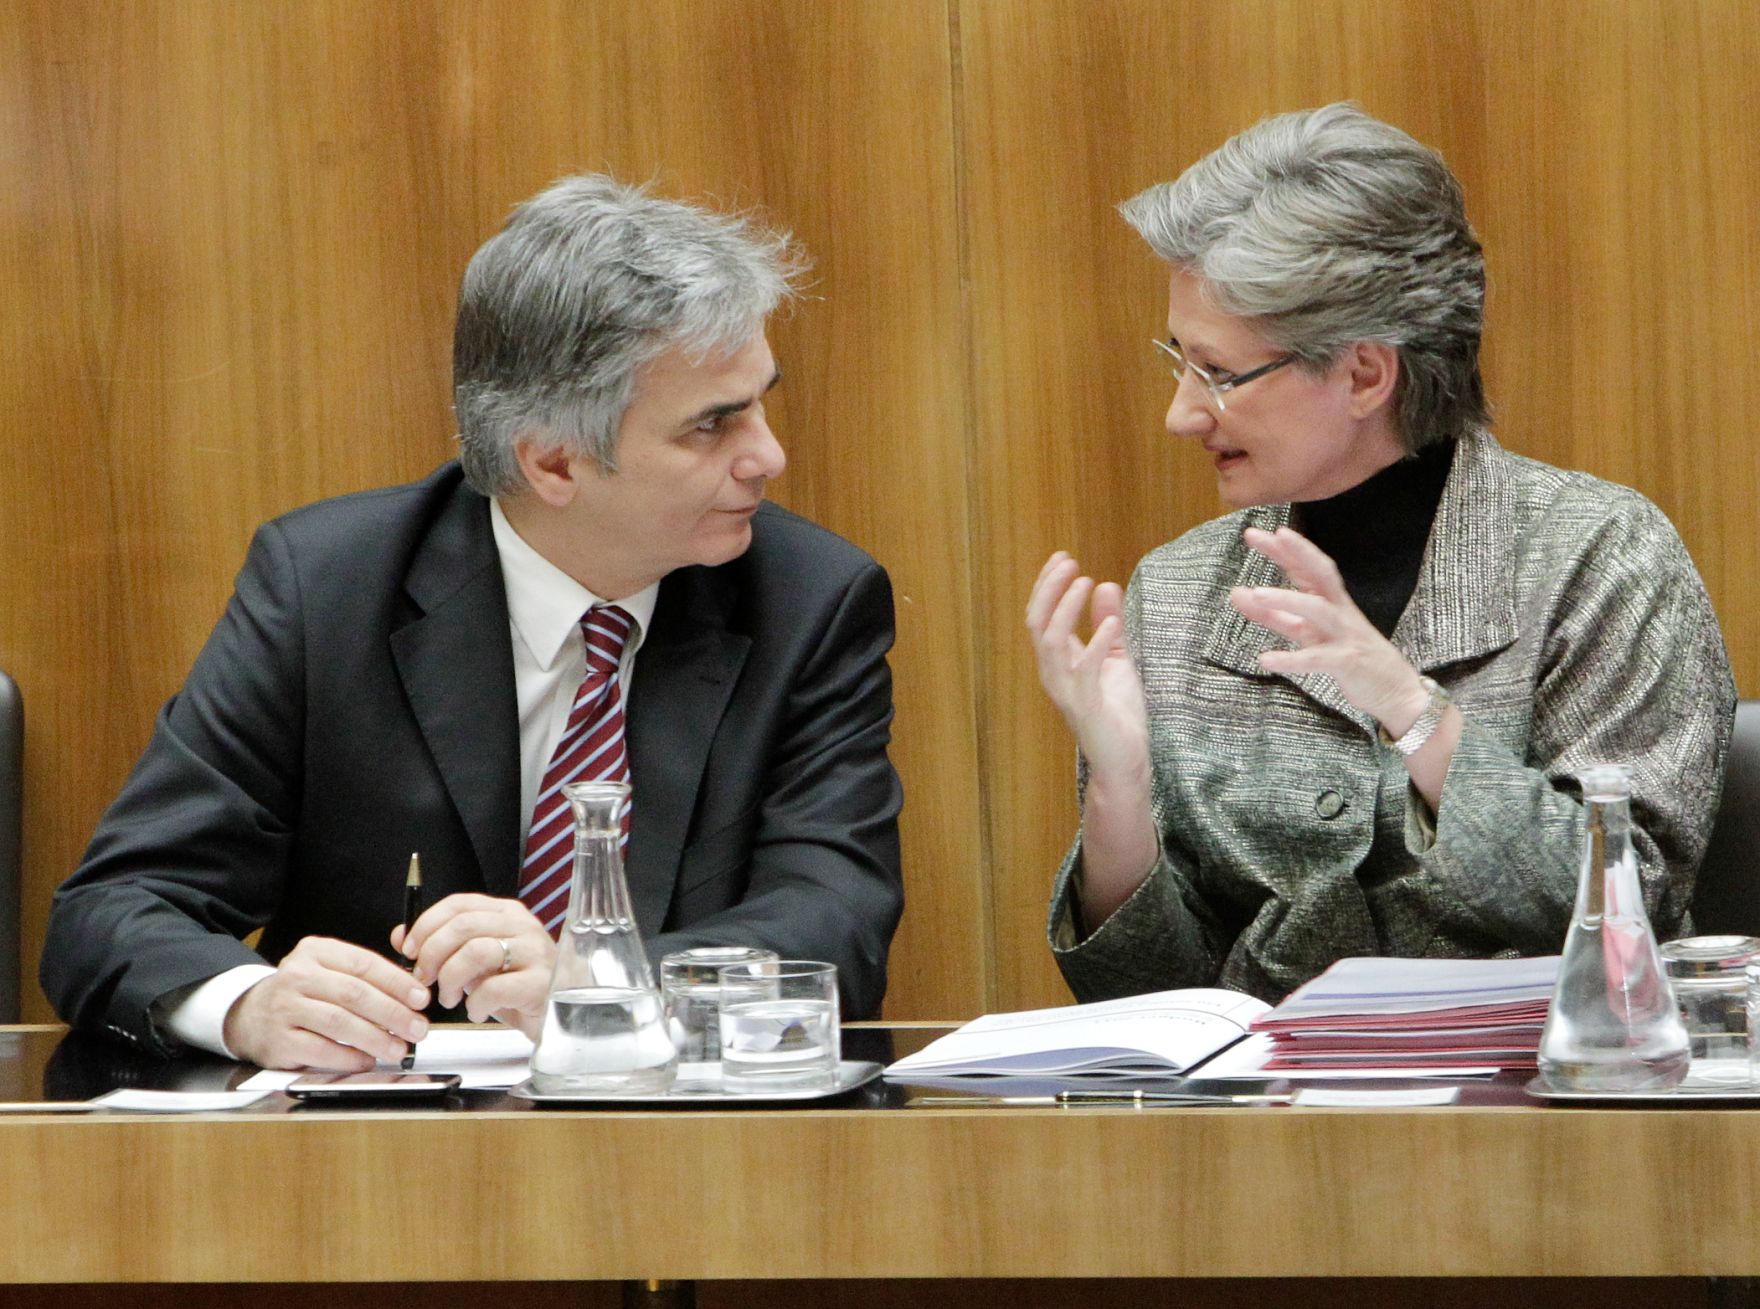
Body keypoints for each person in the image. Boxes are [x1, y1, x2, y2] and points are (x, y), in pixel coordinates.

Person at [43, 175, 905, 1069]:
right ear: (554, 461)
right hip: (371, 1164)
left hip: (691, 1155)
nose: (768, 455)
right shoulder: (329, 590)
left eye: (760, 401)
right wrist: (247, 1005)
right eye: (713, 426)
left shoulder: (810, 601)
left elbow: (833, 925)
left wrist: (598, 985)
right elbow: (117, 905)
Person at [1028, 104, 1734, 1005]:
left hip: (1543, 1116)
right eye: (1178, 360)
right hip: (1259, 1130)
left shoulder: (1597, 557)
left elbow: (1631, 909)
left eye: (1218, 373)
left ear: (1365, 373)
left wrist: (1412, 712)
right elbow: (1154, 1005)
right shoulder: (1175, 596)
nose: (1181, 413)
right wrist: (1119, 797)